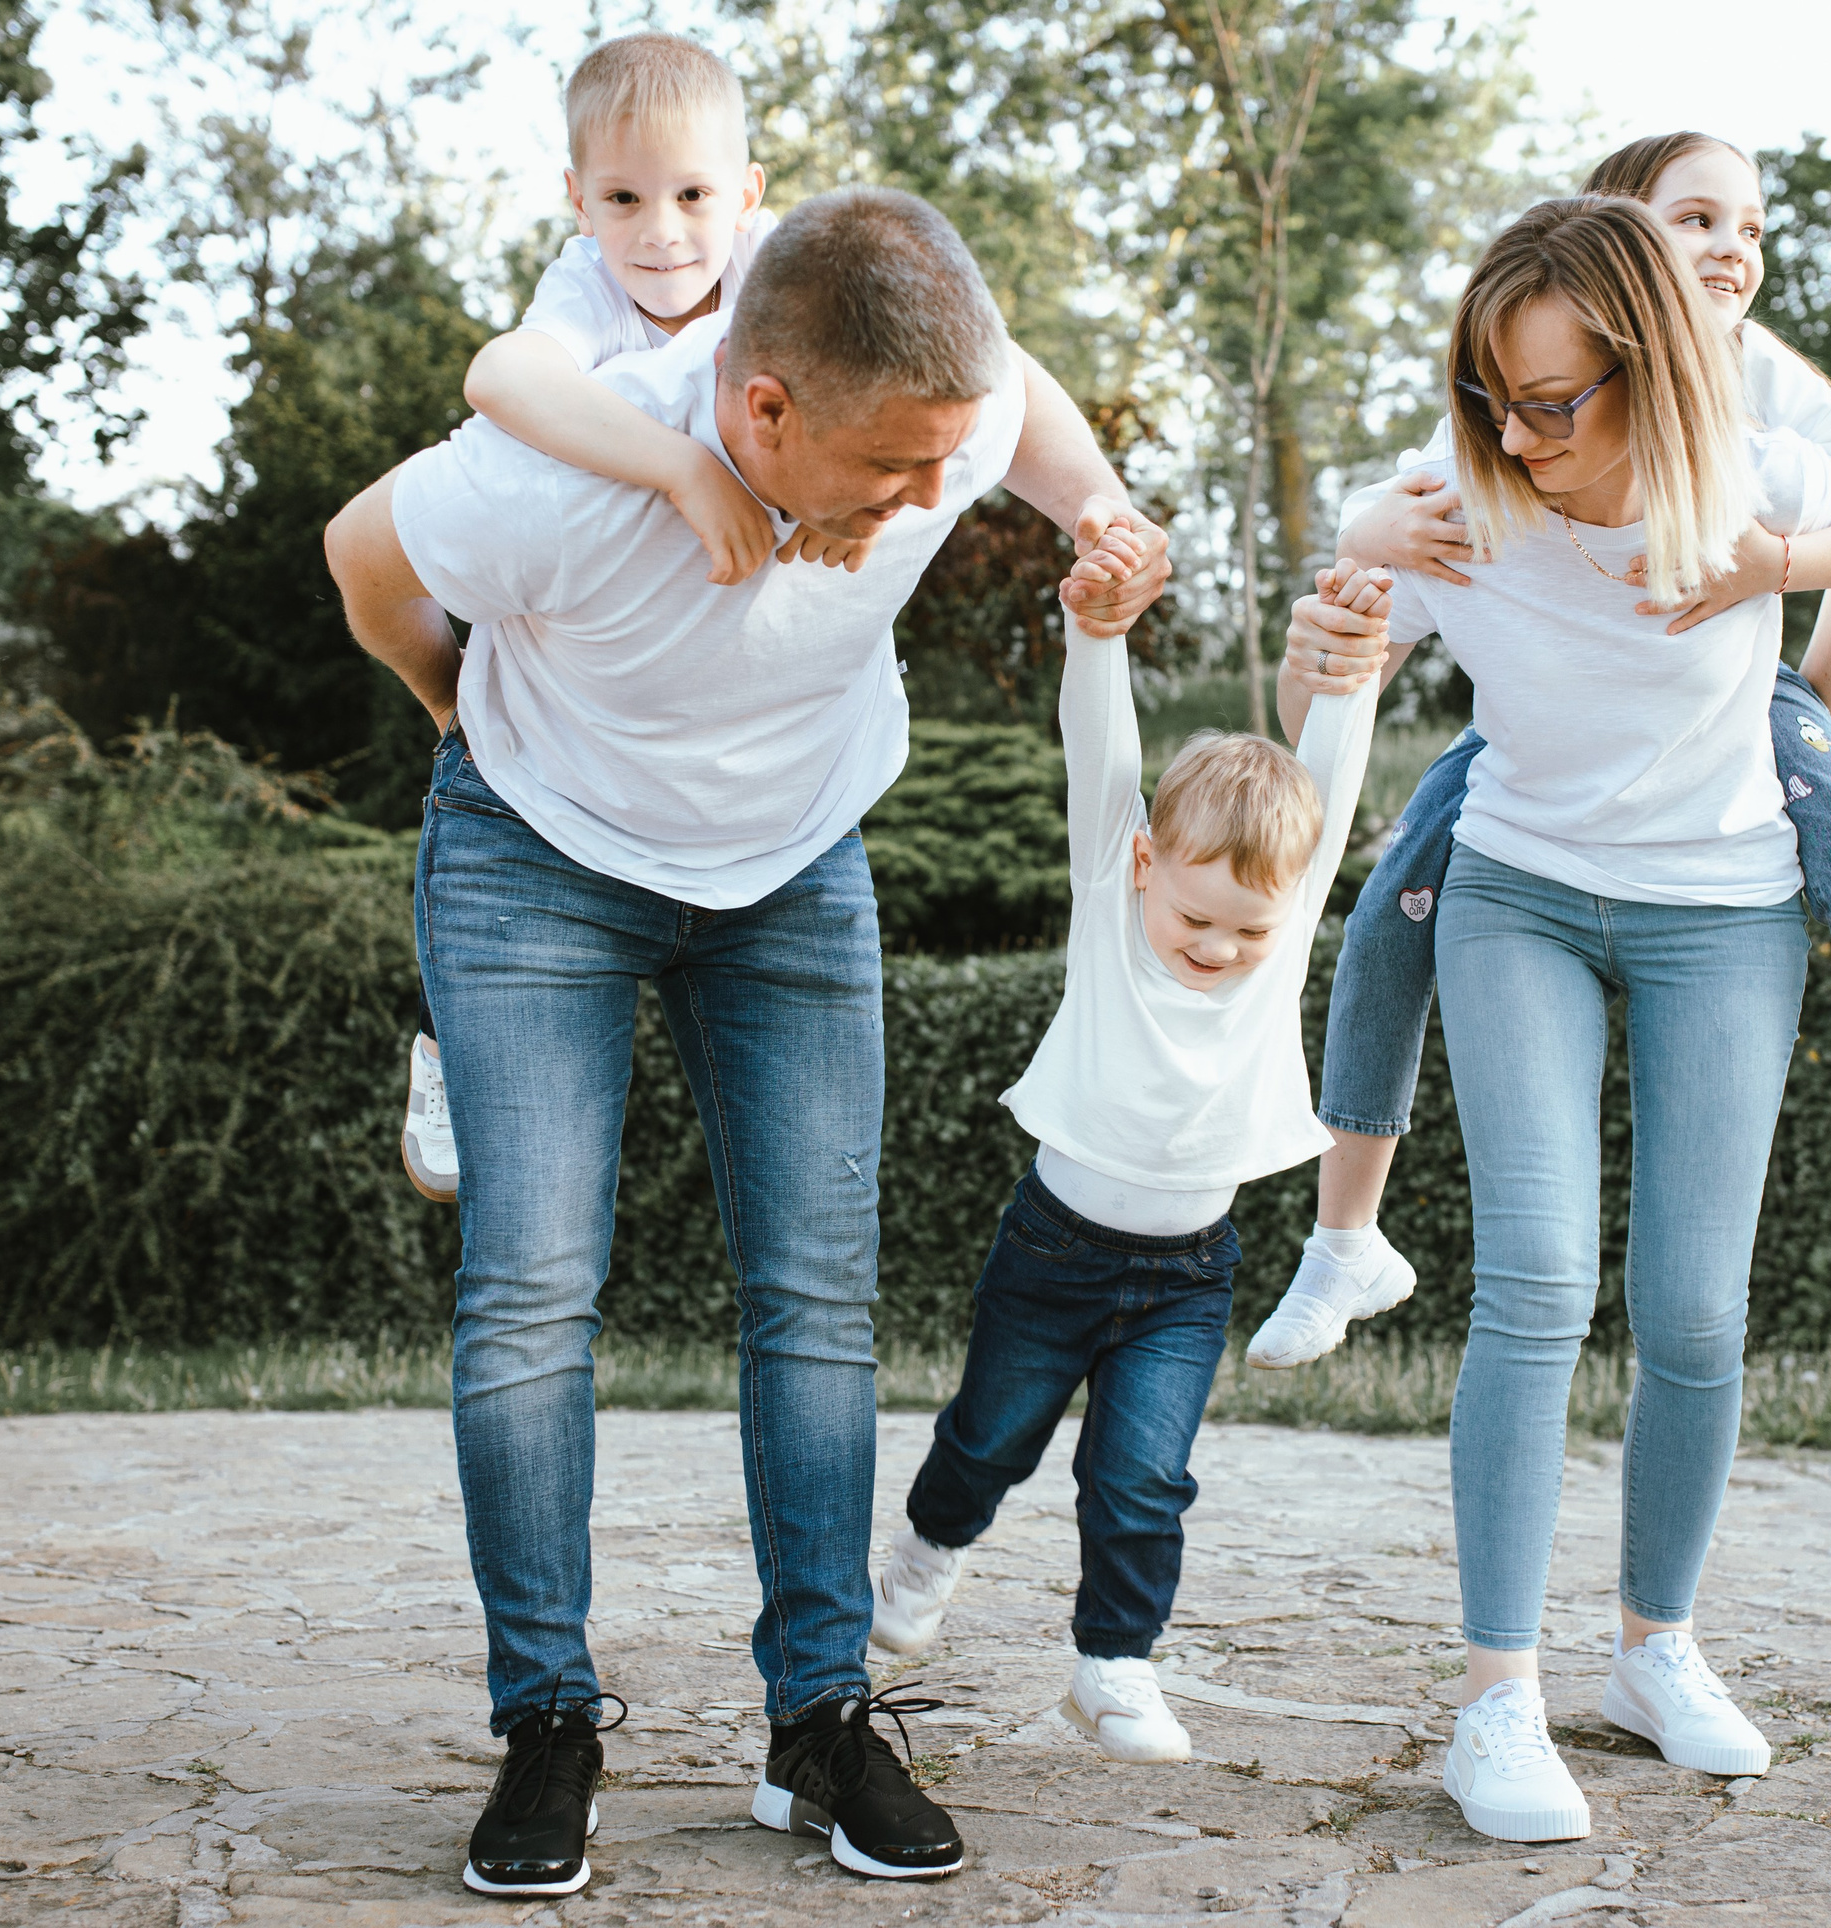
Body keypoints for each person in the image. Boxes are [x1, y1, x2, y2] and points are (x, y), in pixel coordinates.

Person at [321, 185, 1171, 1894]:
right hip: (537, 863)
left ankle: (821, 1715)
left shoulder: (943, 406)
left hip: (791, 866)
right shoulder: (565, 469)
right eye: (901, 467)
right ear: (760, 408)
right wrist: (465, 725)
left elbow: (1017, 408)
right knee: (534, 1286)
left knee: (814, 1290)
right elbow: (363, 558)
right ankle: (547, 1720)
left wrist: (1094, 498)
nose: (941, 498)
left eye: (957, 452)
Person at [1273, 194, 1831, 1842]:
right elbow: (1319, 716)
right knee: (1537, 1282)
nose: (1516, 433)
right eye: (1489, 397)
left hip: (1722, 913)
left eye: (1553, 400)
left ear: (1653, 371)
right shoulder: (1463, 500)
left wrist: (1786, 569)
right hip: (1516, 894)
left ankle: (1656, 1647)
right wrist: (1322, 651)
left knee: (1696, 1309)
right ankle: (1496, 1696)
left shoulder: (1760, 485)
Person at [1247, 132, 1831, 1373]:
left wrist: (1788, 650)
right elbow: (1421, 504)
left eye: (1748, 227)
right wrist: (1359, 530)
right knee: (1393, 900)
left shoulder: (1775, 390)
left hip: (1739, 685)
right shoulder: (1529, 369)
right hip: (1537, 725)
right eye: (1692, 221)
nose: (1729, 247)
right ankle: (1343, 1232)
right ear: (1607, 258)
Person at [863, 567, 1390, 1763]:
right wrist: (1094, 633)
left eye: (1250, 929)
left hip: (1187, 1274)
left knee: (1143, 1477)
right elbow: (1097, 754)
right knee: (990, 1439)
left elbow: (1333, 782)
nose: (1219, 946)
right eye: (1197, 916)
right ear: (1146, 862)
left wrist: (1353, 660)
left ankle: (1113, 1665)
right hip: (1053, 1248)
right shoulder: (1111, 896)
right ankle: (924, 1556)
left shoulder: (1277, 938)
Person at [396, 31, 869, 1205]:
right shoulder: (588, 285)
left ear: (748, 193)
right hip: (566, 675)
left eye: (694, 194)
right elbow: (503, 382)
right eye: (622, 198)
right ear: (577, 200)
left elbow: (906, 374)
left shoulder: (782, 269)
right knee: (495, 790)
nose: (661, 230)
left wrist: (847, 494)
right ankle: (460, 1041)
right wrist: (676, 466)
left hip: (732, 719)